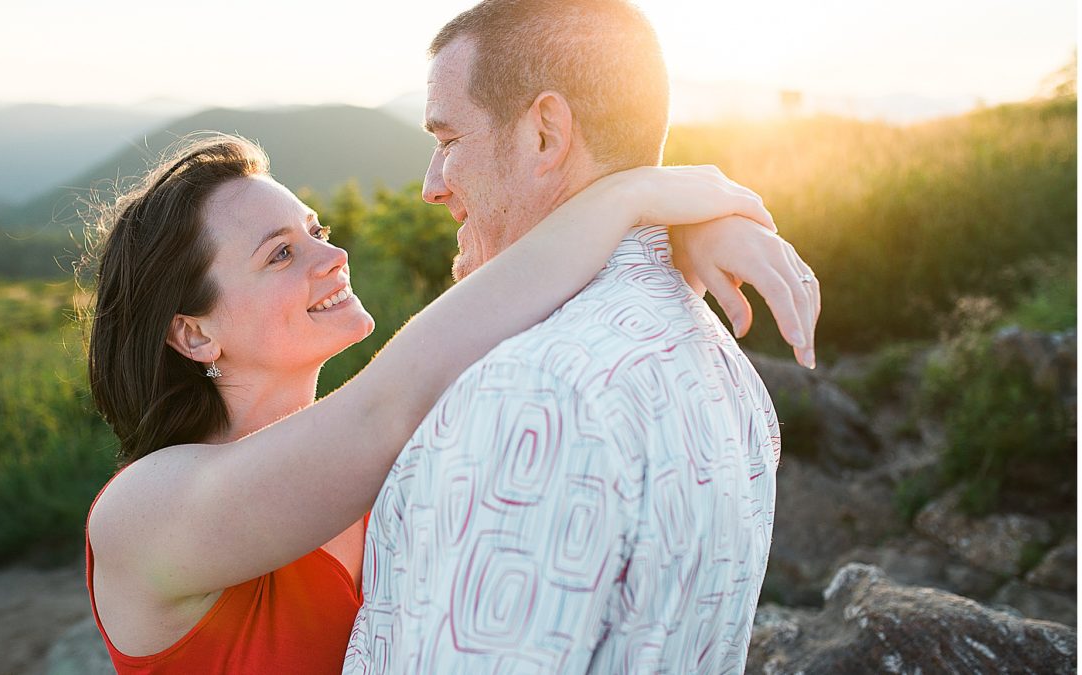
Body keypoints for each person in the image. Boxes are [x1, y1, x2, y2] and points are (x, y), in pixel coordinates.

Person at [81, 129, 813, 673]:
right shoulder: (140, 515)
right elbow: (390, 400)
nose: (332, 257)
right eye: (280, 253)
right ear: (193, 332)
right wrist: (637, 194)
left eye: (316, 231)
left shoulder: (382, 460)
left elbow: (499, 311)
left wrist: (683, 229)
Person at [342, 1, 816, 673]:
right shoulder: (724, 367)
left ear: (545, 135)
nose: (430, 185)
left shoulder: (532, 394)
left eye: (449, 142)